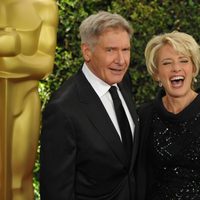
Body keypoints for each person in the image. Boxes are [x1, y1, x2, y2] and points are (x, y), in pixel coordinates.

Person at [40, 11, 139, 200]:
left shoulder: (123, 81)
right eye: (110, 50)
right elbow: (56, 192)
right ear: (87, 51)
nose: (121, 60)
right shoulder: (63, 109)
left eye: (125, 50)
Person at [0, 0, 58, 199]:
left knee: (19, 182)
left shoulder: (44, 6)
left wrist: (11, 60)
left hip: (24, 101)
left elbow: (44, 64)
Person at [136, 31, 200, 200]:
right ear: (156, 74)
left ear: (193, 68)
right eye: (167, 63)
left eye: (184, 61)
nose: (176, 68)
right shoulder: (144, 116)